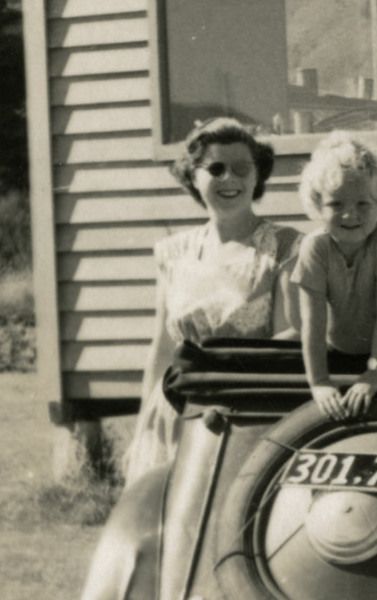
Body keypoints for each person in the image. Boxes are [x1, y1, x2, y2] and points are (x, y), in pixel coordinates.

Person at [122, 118, 301, 482]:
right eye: (215, 168)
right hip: (174, 411)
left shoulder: (284, 246)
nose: (229, 179)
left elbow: (291, 338)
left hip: (248, 412)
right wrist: (143, 426)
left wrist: (221, 372)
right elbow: (162, 347)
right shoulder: (173, 252)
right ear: (193, 176)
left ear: (258, 175)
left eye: (241, 168)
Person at [293, 131, 377, 419]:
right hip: (339, 345)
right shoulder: (315, 247)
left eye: (362, 204)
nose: (349, 215)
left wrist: (375, 372)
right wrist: (319, 382)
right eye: (336, 204)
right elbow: (312, 323)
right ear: (317, 205)